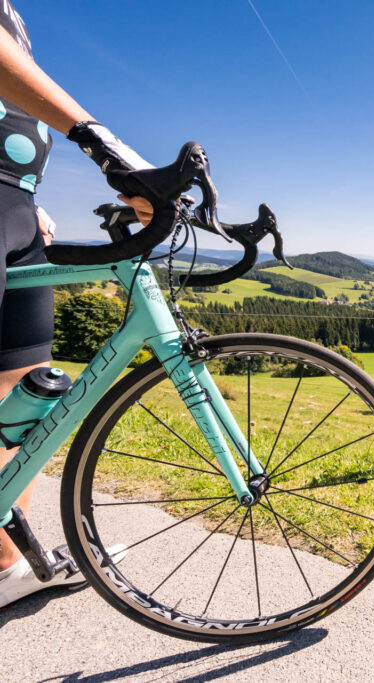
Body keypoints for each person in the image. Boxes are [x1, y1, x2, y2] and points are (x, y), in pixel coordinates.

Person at [0, 2, 153, 608]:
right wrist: (105, 145)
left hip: (17, 205)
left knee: (24, 388)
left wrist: (22, 198)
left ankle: (5, 565)